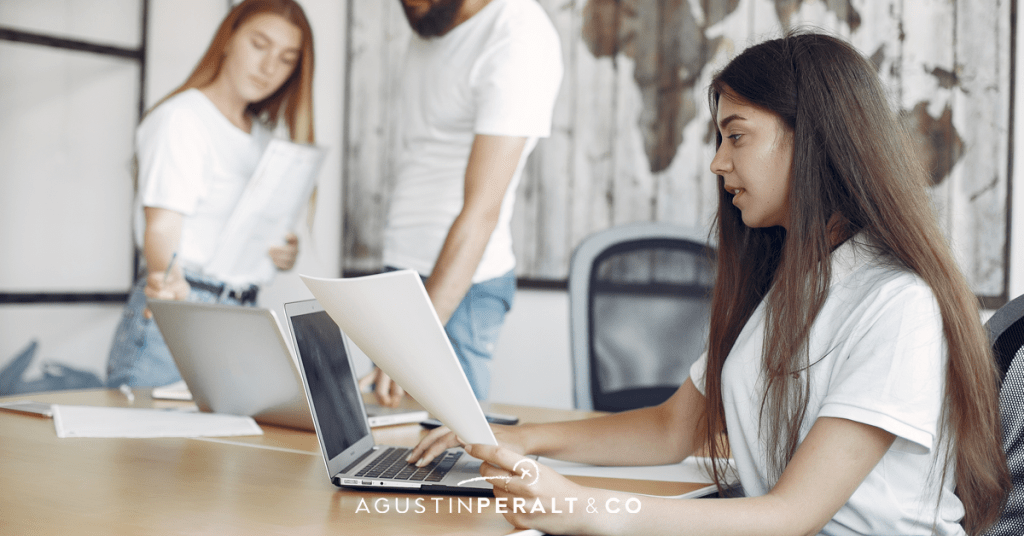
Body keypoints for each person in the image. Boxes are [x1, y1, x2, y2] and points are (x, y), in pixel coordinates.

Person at [408, 31, 1010, 535]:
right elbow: (673, 428)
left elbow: (789, 515)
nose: (719, 162)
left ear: (813, 140)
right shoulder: (798, 281)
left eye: (737, 135)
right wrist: (512, 440)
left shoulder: (896, 303)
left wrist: (588, 509)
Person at [359, 0, 563, 403]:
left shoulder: (516, 37)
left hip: (460, 285)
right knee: (389, 450)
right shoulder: (433, 22)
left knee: (448, 450)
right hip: (401, 267)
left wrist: (415, 338)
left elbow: (481, 211)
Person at [106, 0, 316, 388]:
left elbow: (241, 232)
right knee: (148, 447)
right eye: (259, 44)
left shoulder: (264, 138)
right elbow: (163, 223)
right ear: (228, 39)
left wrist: (281, 252)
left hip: (243, 316)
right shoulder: (182, 118)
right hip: (185, 307)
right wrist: (166, 278)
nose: (270, 68)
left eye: (287, 59)